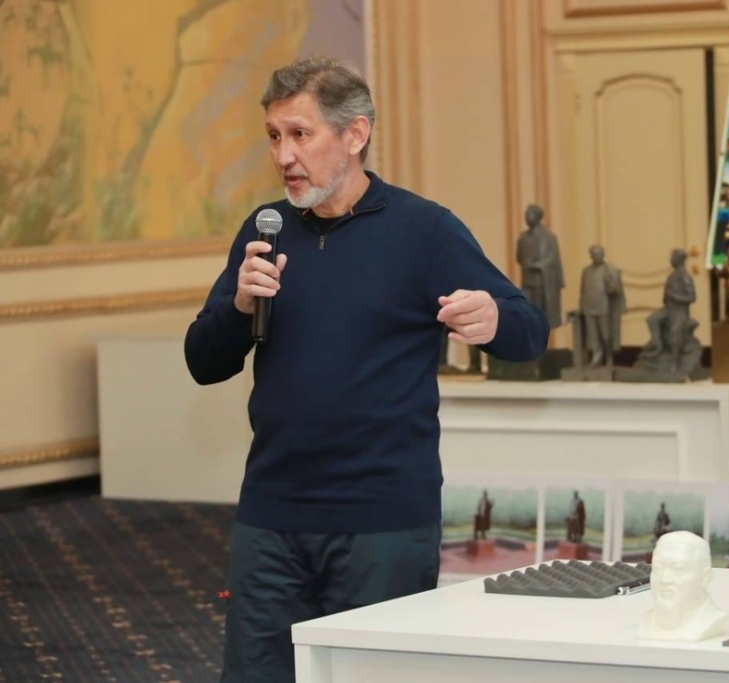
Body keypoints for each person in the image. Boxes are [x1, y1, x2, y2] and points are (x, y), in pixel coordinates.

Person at [183, 57, 548, 682]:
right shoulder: (265, 232)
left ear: (355, 134)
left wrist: (493, 317)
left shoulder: (424, 230)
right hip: (272, 515)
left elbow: (529, 330)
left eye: (300, 134)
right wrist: (240, 307)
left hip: (383, 521)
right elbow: (202, 361)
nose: (283, 156)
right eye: (273, 136)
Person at [637, 531, 729, 642]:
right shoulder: (646, 622)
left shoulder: (712, 620)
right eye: (658, 568)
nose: (665, 579)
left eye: (678, 569)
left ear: (705, 577)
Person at [644, 248, 697, 369]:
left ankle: (675, 362)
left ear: (679, 259)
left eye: (673, 257)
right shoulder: (673, 275)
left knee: (675, 332)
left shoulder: (685, 276)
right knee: (652, 319)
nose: (671, 260)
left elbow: (692, 297)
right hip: (668, 308)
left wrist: (676, 297)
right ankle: (657, 345)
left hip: (680, 310)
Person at [516, 203, 564, 330]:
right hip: (527, 281)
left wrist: (538, 265)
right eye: (525, 215)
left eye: (529, 215)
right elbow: (519, 257)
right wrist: (527, 263)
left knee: (542, 316)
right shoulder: (522, 238)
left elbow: (553, 259)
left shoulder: (548, 237)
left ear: (537, 216)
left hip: (542, 282)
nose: (526, 218)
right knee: (528, 314)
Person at [578, 244, 625, 366]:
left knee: (606, 334)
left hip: (604, 306)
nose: (597, 256)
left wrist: (612, 288)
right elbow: (583, 290)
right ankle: (597, 355)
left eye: (599, 254)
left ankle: (609, 356)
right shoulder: (586, 271)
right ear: (591, 256)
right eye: (594, 254)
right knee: (593, 335)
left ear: (603, 255)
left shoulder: (609, 270)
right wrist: (581, 306)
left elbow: (616, 290)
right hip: (589, 306)